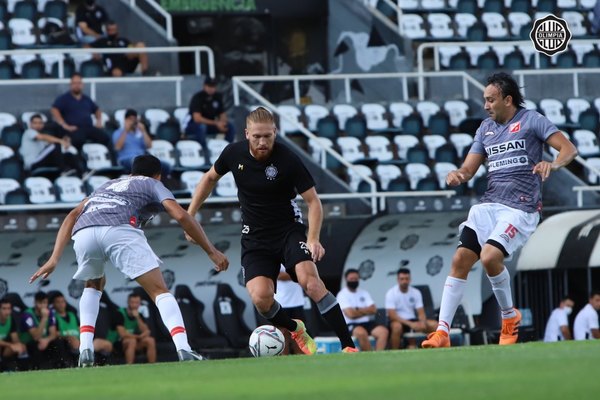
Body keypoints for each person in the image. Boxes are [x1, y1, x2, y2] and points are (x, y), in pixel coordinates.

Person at [422, 72, 578, 349]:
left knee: (490, 257)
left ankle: (508, 316)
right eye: (484, 99)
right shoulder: (485, 128)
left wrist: (551, 165)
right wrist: (458, 174)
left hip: (520, 208)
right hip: (490, 205)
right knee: (460, 260)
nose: (486, 105)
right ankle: (442, 332)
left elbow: (568, 149)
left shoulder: (532, 121)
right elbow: (469, 169)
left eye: (491, 100)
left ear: (508, 99)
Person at [29, 154, 229, 367]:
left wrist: (54, 258)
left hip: (84, 231)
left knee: (94, 283)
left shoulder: (108, 184)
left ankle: (85, 350)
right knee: (159, 291)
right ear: (159, 175)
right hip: (119, 228)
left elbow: (71, 216)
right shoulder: (152, 183)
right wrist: (211, 251)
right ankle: (184, 349)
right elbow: (181, 216)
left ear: (132, 171)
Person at [187, 107, 357, 354]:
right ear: (247, 134)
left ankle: (348, 346)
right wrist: (189, 216)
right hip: (255, 237)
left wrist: (313, 238)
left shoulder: (287, 158)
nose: (262, 141)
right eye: (257, 136)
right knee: (261, 299)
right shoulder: (233, 154)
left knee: (311, 283)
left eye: (267, 135)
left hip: (288, 230)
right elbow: (209, 179)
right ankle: (294, 328)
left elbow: (314, 202)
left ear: (275, 133)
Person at [51, 73, 111, 151]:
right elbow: (54, 110)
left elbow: (97, 110)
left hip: (88, 127)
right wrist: (64, 125)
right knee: (78, 140)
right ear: (70, 85)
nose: (77, 85)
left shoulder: (86, 99)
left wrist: (99, 121)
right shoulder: (64, 98)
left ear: (82, 85)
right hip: (74, 129)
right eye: (74, 83)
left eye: (79, 83)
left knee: (105, 138)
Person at [51, 292, 113, 365]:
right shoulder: (53, 317)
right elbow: (53, 334)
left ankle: (100, 365)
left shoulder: (72, 315)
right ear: (53, 304)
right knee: (74, 341)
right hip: (68, 342)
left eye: (63, 301)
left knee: (107, 345)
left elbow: (80, 329)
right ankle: (83, 361)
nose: (61, 304)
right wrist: (68, 337)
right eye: (58, 302)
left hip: (80, 341)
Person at [184, 77, 235, 164]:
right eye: (209, 86)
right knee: (201, 127)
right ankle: (204, 154)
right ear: (204, 86)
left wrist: (223, 123)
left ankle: (228, 152)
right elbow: (197, 118)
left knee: (230, 126)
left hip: (211, 124)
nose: (211, 88)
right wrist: (216, 123)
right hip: (193, 125)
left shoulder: (217, 97)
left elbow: (222, 113)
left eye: (213, 86)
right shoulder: (198, 97)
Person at [337, 269, 389, 351]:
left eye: (356, 279)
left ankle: (378, 355)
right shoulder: (342, 295)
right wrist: (366, 310)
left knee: (383, 331)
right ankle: (369, 357)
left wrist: (357, 310)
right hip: (351, 324)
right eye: (351, 279)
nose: (354, 281)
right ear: (346, 279)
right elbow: (351, 314)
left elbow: (374, 310)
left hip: (367, 323)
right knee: (361, 333)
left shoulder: (364, 293)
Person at [385, 268, 436, 349]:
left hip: (412, 320)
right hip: (398, 321)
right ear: (397, 280)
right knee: (396, 327)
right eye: (402, 279)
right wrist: (411, 324)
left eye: (407, 279)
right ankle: (394, 352)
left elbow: (421, 312)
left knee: (434, 325)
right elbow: (392, 315)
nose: (404, 281)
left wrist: (422, 322)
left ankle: (434, 349)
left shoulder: (416, 292)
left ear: (410, 279)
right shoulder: (391, 293)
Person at [19, 114, 83, 176]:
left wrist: (65, 142)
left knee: (68, 155)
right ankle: (63, 170)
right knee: (56, 145)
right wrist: (61, 141)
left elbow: (52, 147)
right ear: (30, 124)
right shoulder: (29, 132)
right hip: (32, 164)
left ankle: (82, 174)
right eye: (35, 123)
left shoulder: (42, 141)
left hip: (42, 162)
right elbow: (42, 137)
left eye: (40, 123)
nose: (37, 125)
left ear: (43, 125)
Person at [112, 109, 170, 177]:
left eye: (134, 119)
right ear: (125, 120)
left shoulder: (139, 133)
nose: (132, 122)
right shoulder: (118, 132)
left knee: (165, 166)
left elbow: (149, 146)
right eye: (130, 119)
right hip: (127, 159)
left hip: (142, 159)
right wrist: (126, 130)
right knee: (138, 163)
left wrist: (144, 131)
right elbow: (118, 147)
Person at [19, 291, 59, 369]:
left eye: (45, 303)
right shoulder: (27, 315)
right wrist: (44, 318)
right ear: (35, 303)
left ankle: (60, 366)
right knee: (35, 344)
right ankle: (37, 369)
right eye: (40, 303)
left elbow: (53, 334)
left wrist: (46, 340)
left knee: (58, 342)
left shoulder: (50, 313)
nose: (43, 306)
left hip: (44, 341)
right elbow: (36, 336)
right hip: (29, 343)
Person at [113, 293, 156, 364]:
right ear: (128, 302)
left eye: (137, 303)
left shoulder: (139, 315)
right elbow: (122, 334)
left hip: (136, 341)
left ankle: (153, 365)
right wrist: (138, 336)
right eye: (132, 302)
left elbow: (146, 331)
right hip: (120, 343)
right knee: (131, 341)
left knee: (150, 340)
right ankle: (130, 366)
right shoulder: (119, 313)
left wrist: (137, 317)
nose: (134, 305)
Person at [274, 265, 306, 355]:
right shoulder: (276, 257)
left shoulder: (294, 256)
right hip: (281, 302)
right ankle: (284, 356)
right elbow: (278, 275)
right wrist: (296, 274)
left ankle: (299, 355)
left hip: (297, 301)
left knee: (298, 331)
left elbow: (304, 273)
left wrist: (296, 274)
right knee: (283, 332)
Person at [0, 298, 27, 368]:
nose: (7, 311)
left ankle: (22, 370)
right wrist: (11, 345)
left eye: (9, 309)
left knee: (19, 347)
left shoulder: (11, 319)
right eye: (4, 308)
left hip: (3, 345)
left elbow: (15, 338)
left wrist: (19, 345)